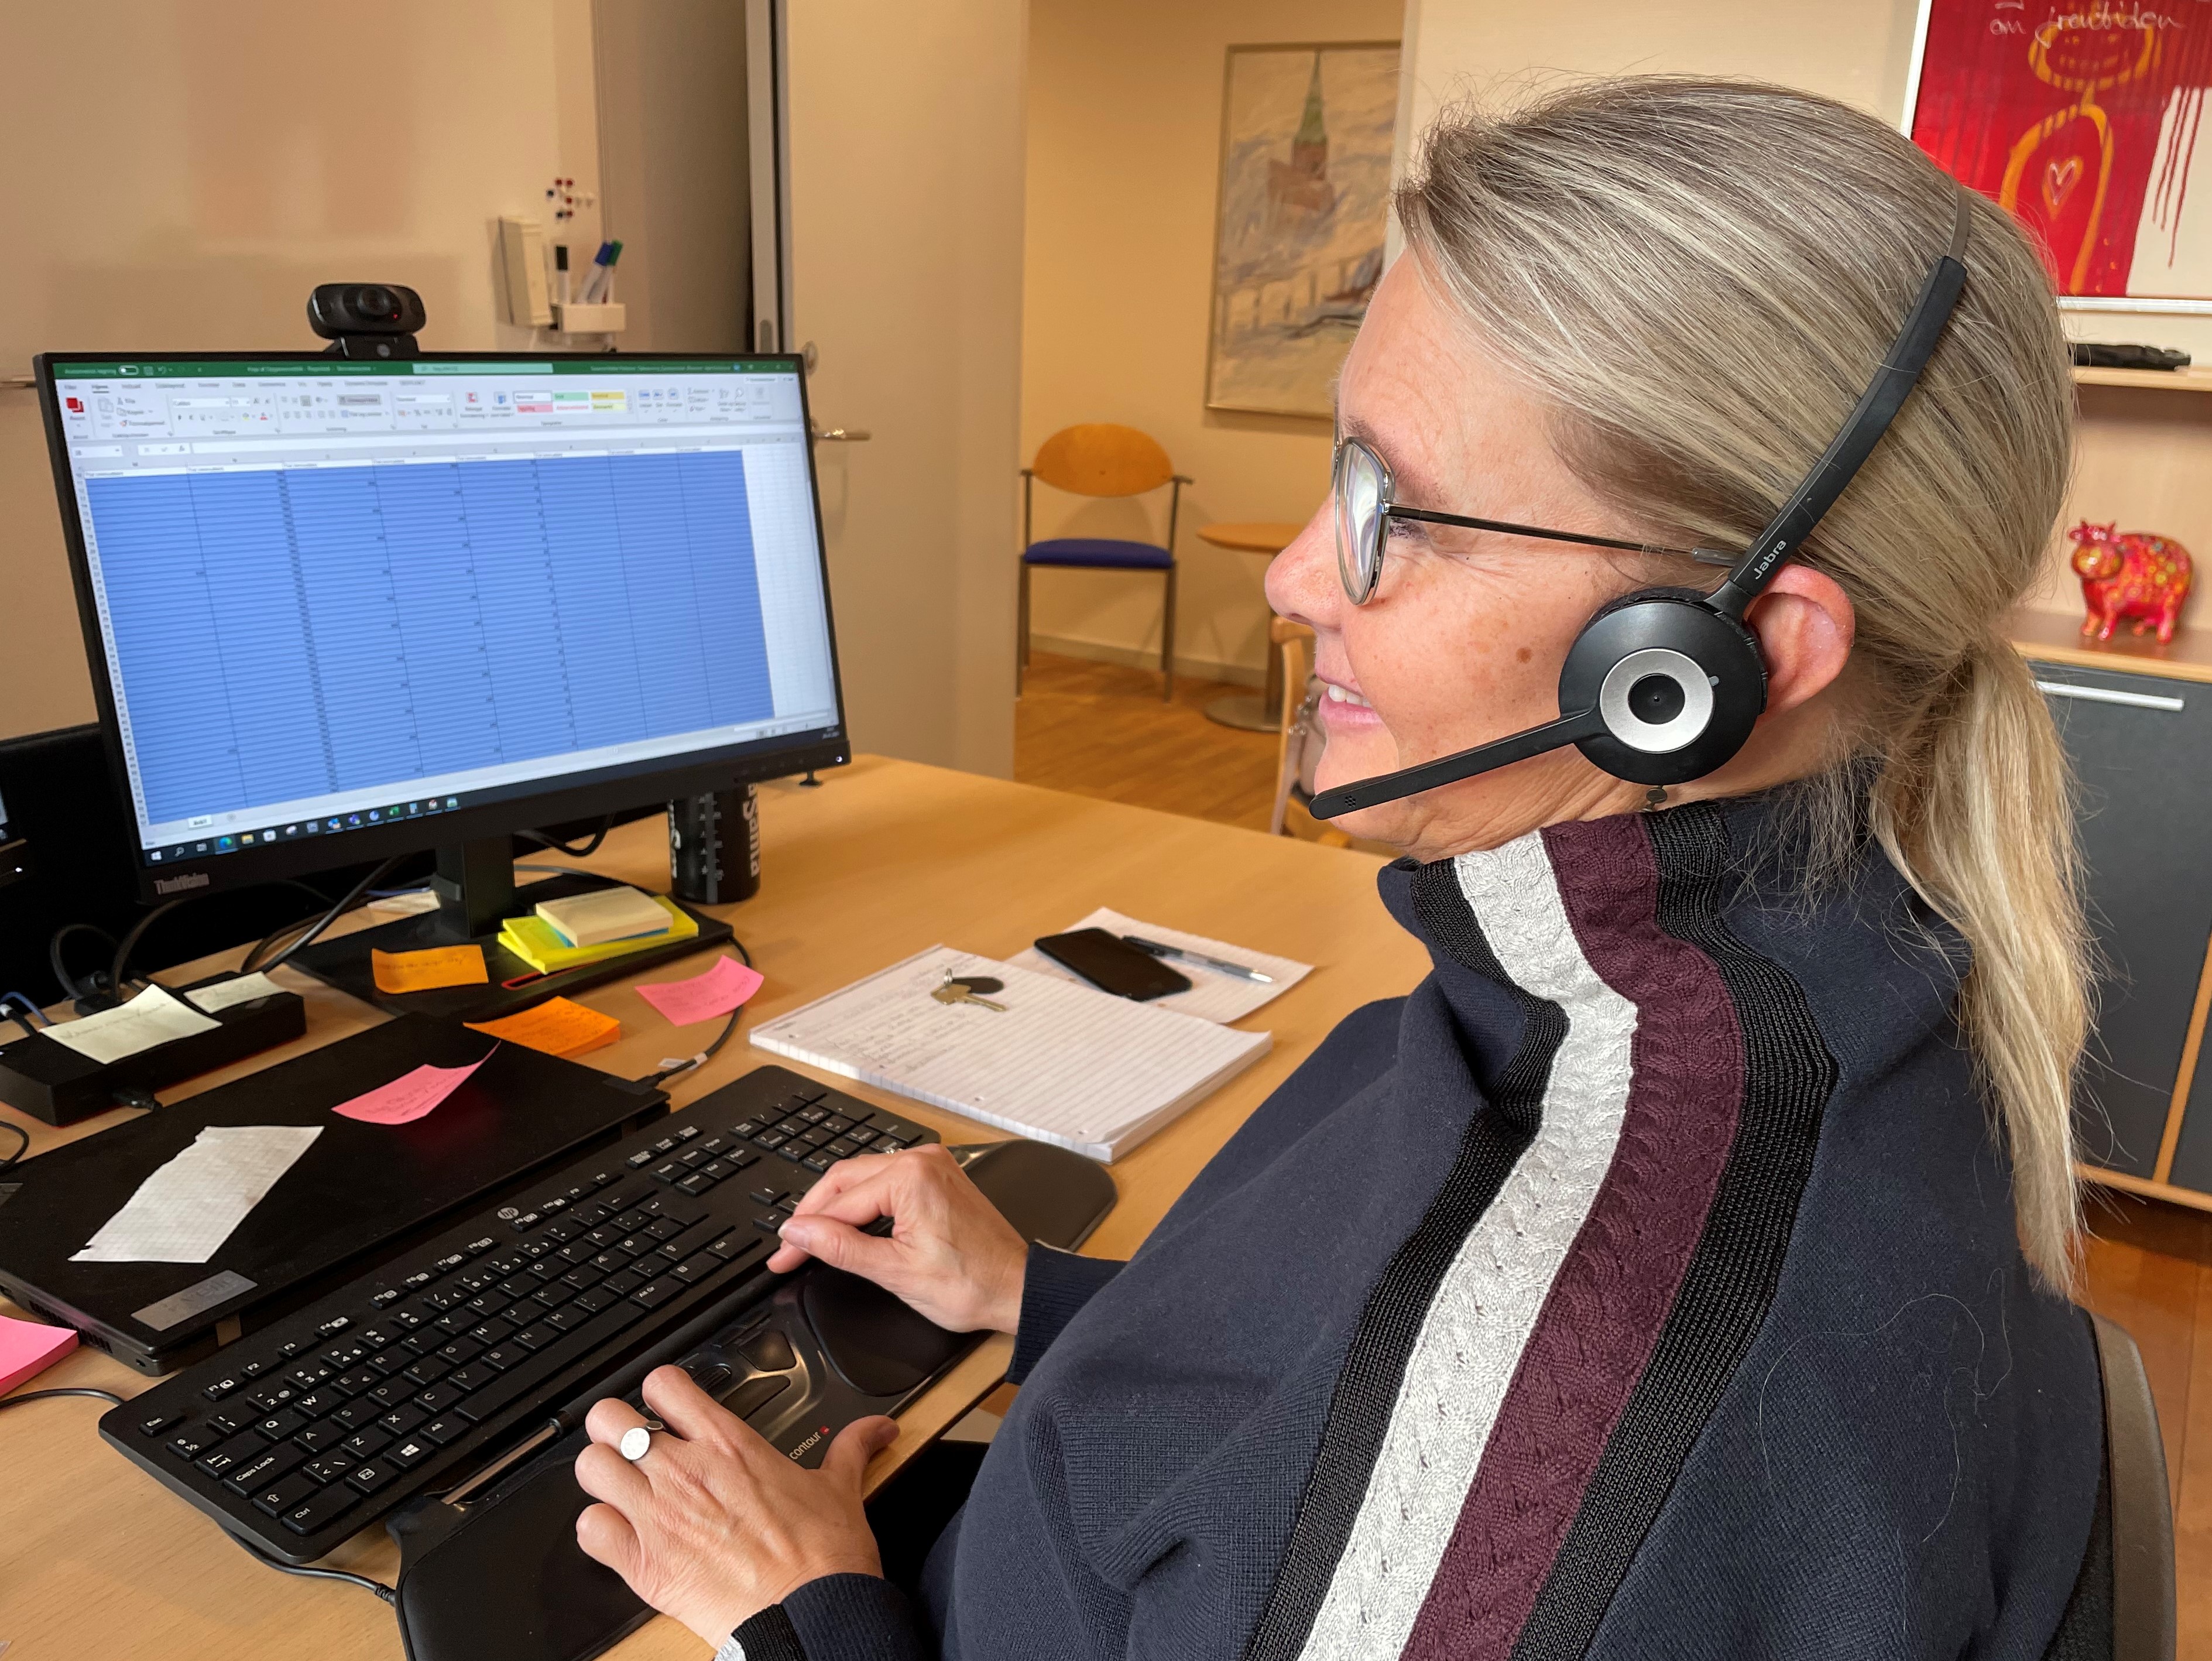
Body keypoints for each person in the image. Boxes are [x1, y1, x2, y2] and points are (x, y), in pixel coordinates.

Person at [571, 77, 2106, 1660]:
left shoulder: (1579, 1382)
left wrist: (801, 1611)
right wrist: (1045, 1301)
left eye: (1396, 514)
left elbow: (1474, 1427)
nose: (1301, 578)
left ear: (1710, 662)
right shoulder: (1785, 989)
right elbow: (1366, 1386)